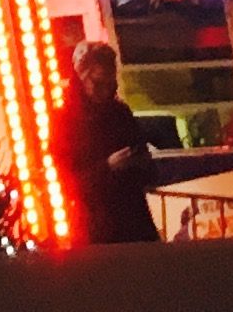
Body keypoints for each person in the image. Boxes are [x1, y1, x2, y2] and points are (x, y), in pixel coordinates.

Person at [55, 40, 161, 243]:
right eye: (97, 83)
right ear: (81, 78)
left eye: (109, 84)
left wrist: (140, 163)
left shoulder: (120, 113)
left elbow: (147, 169)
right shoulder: (66, 121)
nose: (105, 90)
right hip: (95, 225)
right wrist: (109, 167)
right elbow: (69, 182)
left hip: (132, 219)